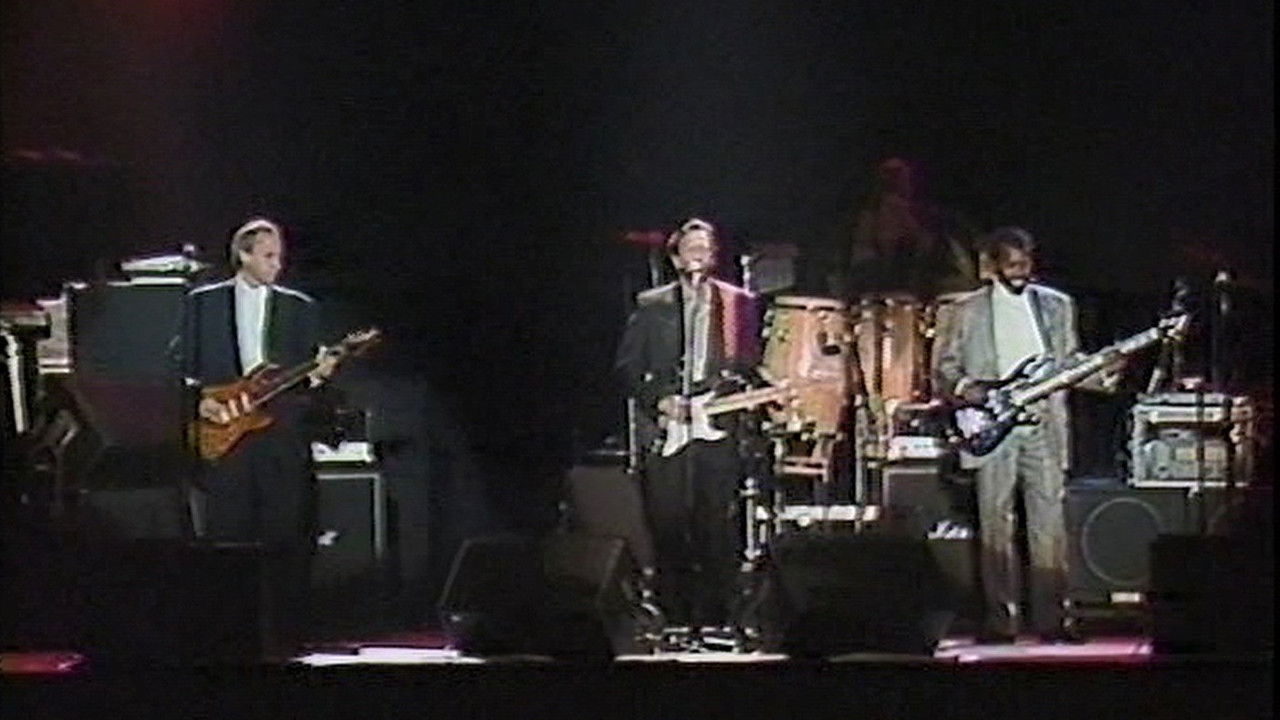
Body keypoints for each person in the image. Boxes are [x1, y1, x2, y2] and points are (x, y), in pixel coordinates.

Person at [932, 227, 1118, 644]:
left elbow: (1069, 364)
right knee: (995, 522)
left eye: (1026, 263)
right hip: (993, 425)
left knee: (1048, 521)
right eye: (1012, 264)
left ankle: (1053, 618)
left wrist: (1104, 371)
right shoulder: (965, 311)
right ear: (994, 266)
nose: (1021, 271)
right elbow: (944, 370)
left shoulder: (1057, 306)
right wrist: (970, 390)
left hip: (1043, 423)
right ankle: (1001, 621)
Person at [177, 216, 337, 655]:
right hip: (226, 433)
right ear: (243, 255)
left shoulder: (300, 307)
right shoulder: (202, 303)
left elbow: (308, 376)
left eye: (279, 256)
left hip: (280, 435)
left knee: (284, 534)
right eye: (267, 256)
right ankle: (227, 633)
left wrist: (320, 376)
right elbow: (183, 367)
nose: (276, 265)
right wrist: (200, 403)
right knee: (228, 534)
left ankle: (286, 637)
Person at [614, 218, 761, 630]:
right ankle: (675, 618)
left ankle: (719, 618)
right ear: (676, 256)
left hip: (716, 425)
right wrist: (660, 400)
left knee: (716, 524)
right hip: (668, 428)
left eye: (706, 247)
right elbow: (626, 368)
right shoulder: (651, 304)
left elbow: (749, 364)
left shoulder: (739, 303)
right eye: (691, 247)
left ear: (715, 256)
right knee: (669, 523)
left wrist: (735, 393)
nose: (699, 254)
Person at [840, 157, 979, 299]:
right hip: (881, 293)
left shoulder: (939, 219)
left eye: (897, 173)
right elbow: (859, 266)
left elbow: (958, 269)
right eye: (887, 174)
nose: (892, 180)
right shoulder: (868, 219)